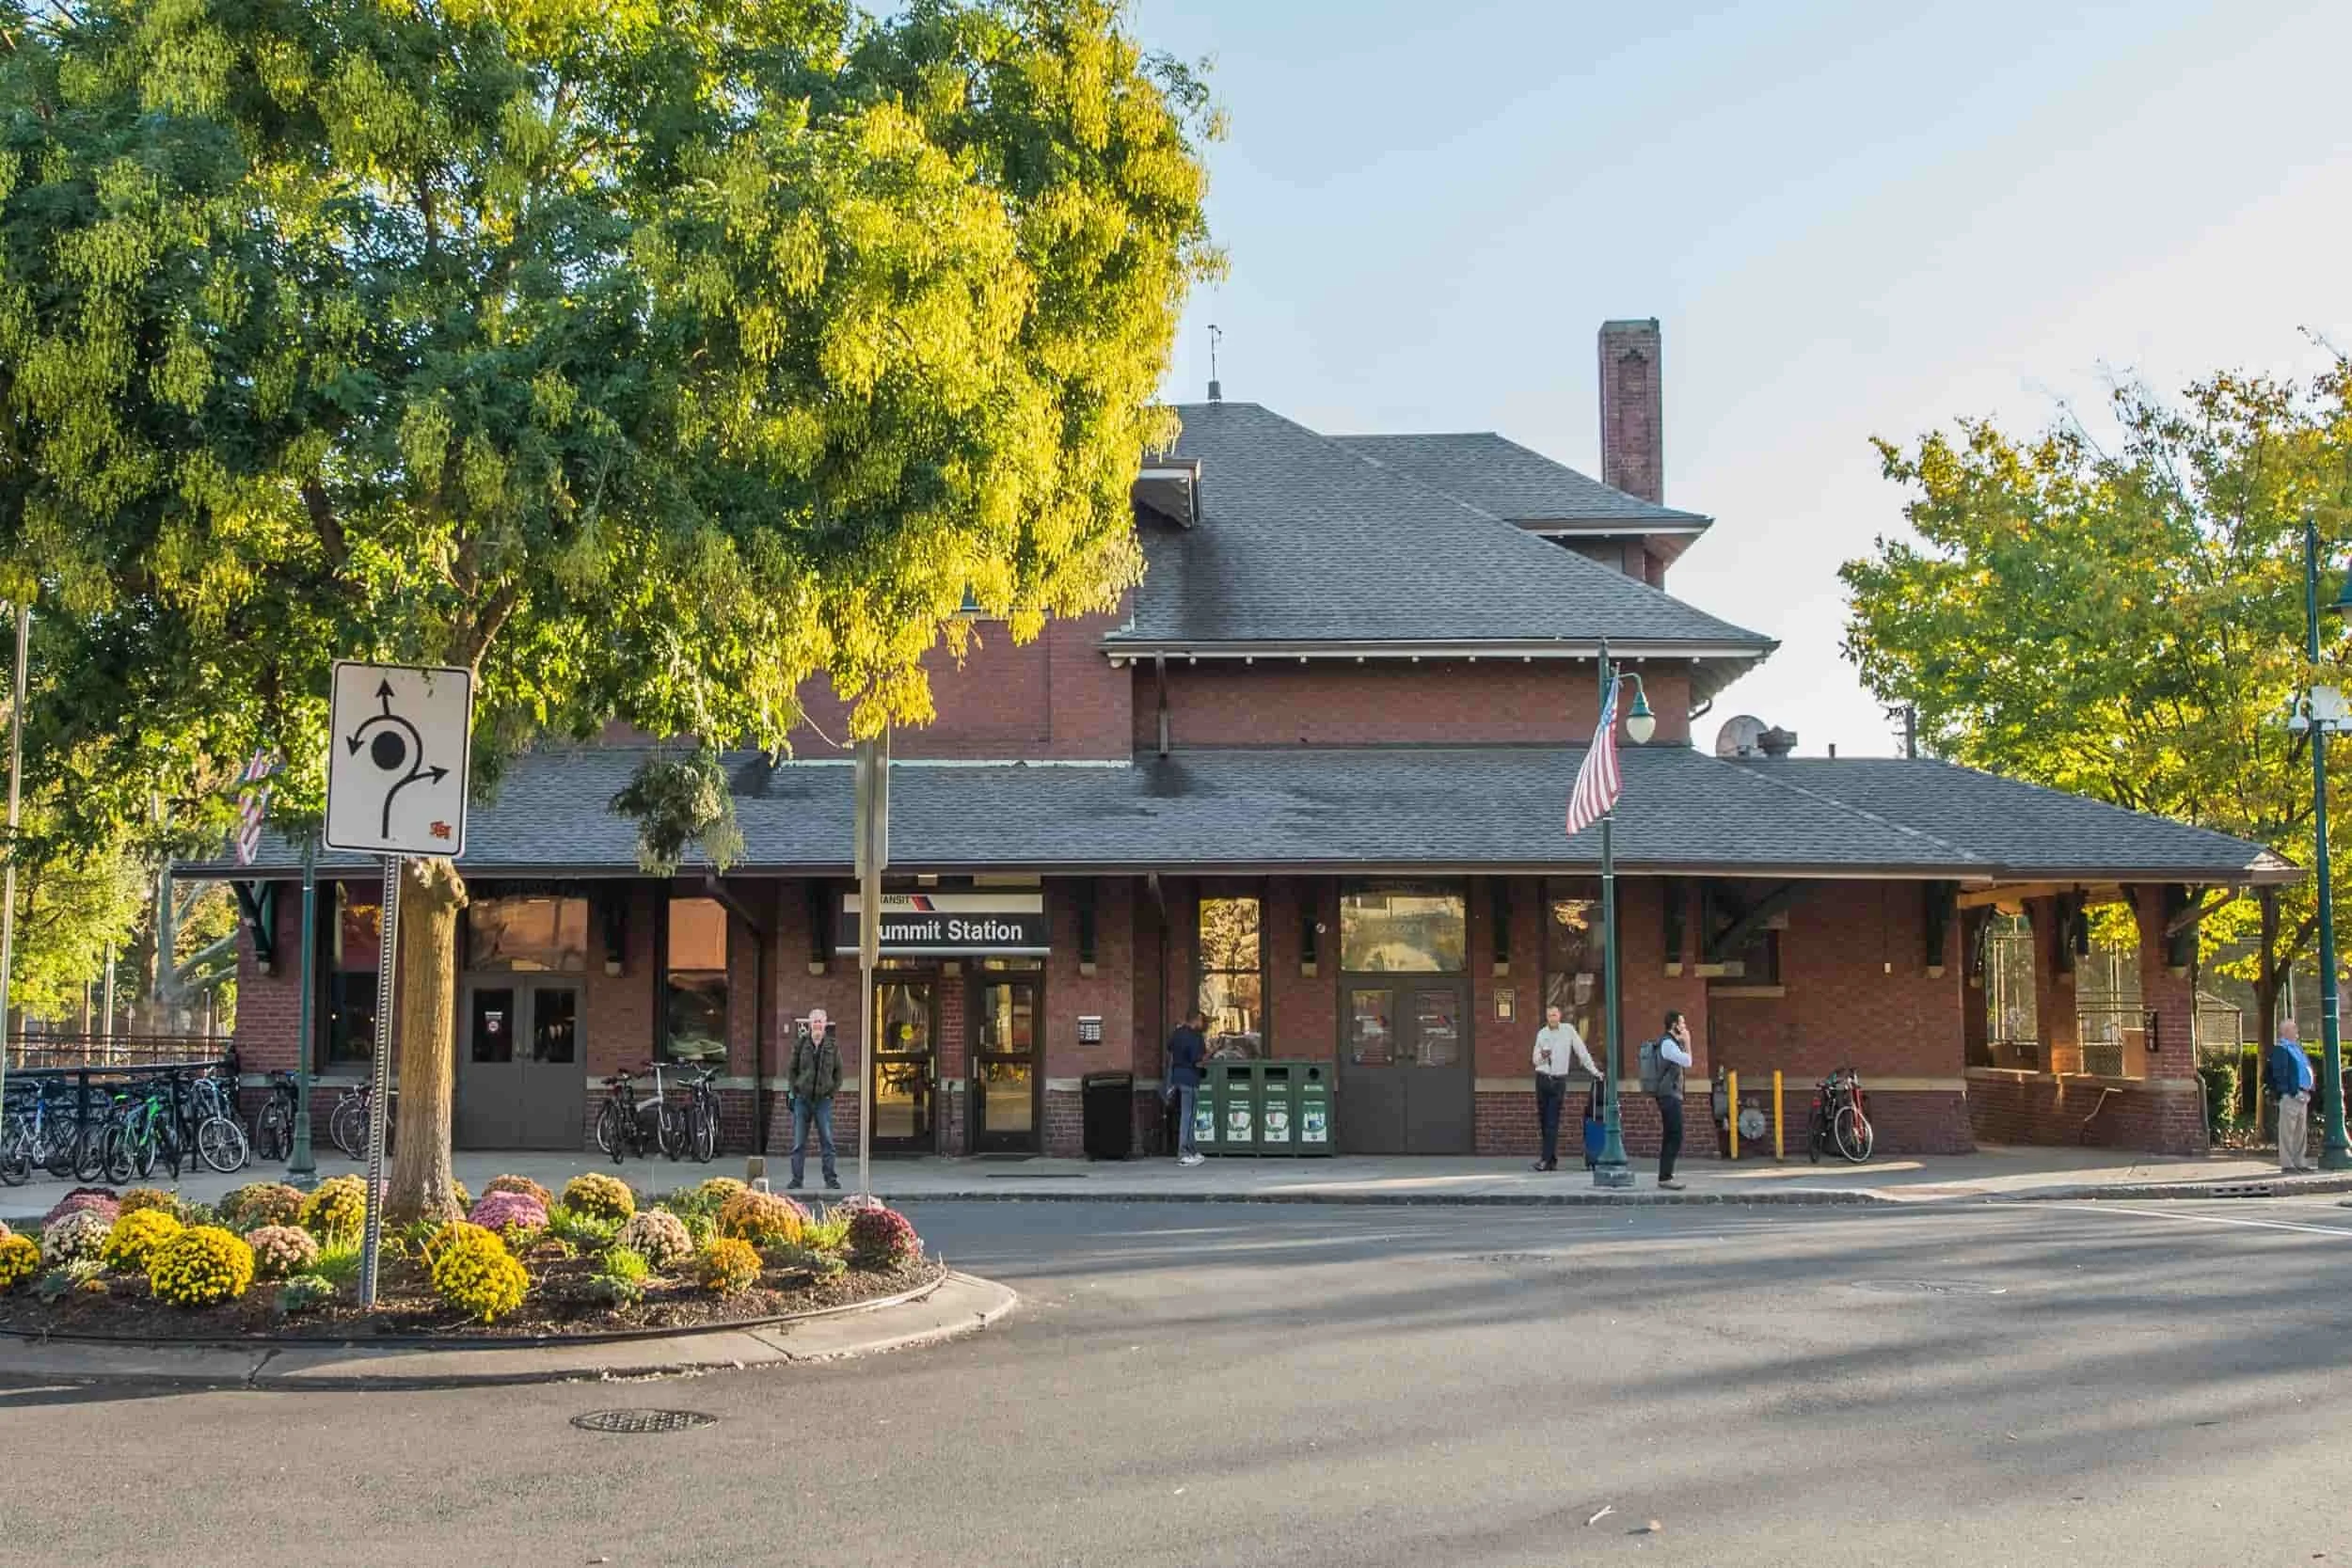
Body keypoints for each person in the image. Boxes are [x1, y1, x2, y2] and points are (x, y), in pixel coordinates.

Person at [1531, 1004, 1600, 1172]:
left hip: (1558, 1081)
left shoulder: (1568, 1030)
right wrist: (1542, 1056)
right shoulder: (1542, 1033)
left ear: (1560, 1016)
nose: (1552, 1018)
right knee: (1544, 1121)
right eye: (1549, 1016)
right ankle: (1551, 1160)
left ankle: (1545, 1160)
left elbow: (1581, 1052)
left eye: (1554, 1015)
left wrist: (1594, 1071)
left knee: (1552, 1122)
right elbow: (1534, 1060)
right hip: (1542, 1079)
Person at [787, 1007, 843, 1191]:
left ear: (825, 1023)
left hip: (823, 1101)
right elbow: (792, 1070)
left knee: (827, 1141)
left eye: (821, 1020)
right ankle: (796, 1180)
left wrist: (830, 1093)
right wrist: (794, 1091)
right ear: (810, 1024)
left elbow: (839, 1073)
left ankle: (830, 1179)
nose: (818, 1024)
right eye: (815, 1021)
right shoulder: (800, 1044)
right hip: (802, 1100)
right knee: (798, 1143)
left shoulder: (832, 1046)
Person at [1654, 1010, 1693, 1190]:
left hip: (1671, 1094)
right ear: (1674, 1025)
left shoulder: (1671, 1043)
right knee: (1675, 1135)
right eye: (1682, 1023)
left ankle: (1665, 1176)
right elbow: (1687, 1061)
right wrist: (1688, 1042)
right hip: (1668, 1095)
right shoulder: (1668, 1044)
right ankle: (1665, 1176)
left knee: (1671, 1135)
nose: (1684, 1027)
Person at [2272, 1016, 2316, 1174]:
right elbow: (2280, 1074)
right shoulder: (2281, 1049)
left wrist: (2308, 1089)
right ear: (2285, 1032)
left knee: (2300, 1132)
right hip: (2292, 1095)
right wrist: (2292, 1091)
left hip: (2303, 1094)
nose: (2297, 1030)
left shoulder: (2296, 1047)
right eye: (2293, 1028)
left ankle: (2300, 1161)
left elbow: (2304, 1068)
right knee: (2287, 1131)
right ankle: (2287, 1164)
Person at [1167, 1009, 1208, 1166]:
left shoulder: (1177, 1033)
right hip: (1191, 1079)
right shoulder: (1195, 1037)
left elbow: (1169, 1049)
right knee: (1188, 1116)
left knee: (1187, 1115)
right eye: (1202, 1021)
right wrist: (1211, 1053)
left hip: (1178, 1078)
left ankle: (1191, 1150)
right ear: (1196, 1019)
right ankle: (1184, 1153)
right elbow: (1198, 1062)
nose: (1203, 1024)